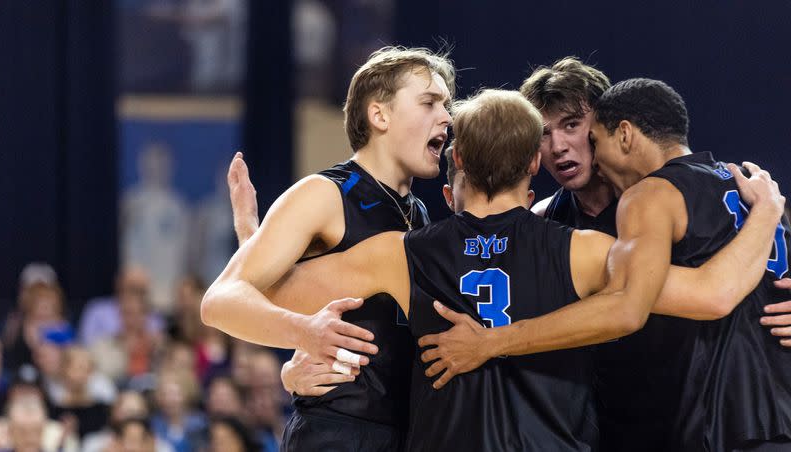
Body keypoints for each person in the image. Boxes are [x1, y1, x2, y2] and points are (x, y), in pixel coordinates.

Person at [208, 89, 783, 450]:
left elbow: (265, 290)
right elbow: (715, 291)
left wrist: (256, 241)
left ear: (456, 159)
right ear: (533, 161)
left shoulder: (400, 251)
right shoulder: (582, 250)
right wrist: (767, 216)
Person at [202, 46, 454, 450]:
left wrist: (249, 233)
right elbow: (219, 301)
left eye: (447, 104)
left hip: (404, 433)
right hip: (338, 434)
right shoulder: (324, 193)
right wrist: (304, 333)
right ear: (379, 115)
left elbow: (299, 286)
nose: (446, 116)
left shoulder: (419, 212)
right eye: (429, 102)